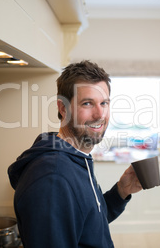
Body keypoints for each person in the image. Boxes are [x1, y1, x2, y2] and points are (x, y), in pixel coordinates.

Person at [8, 60, 142, 247]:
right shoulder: (52, 179)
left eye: (104, 103)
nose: (100, 114)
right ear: (63, 108)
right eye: (87, 103)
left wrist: (121, 191)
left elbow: (89, 224)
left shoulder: (76, 158)